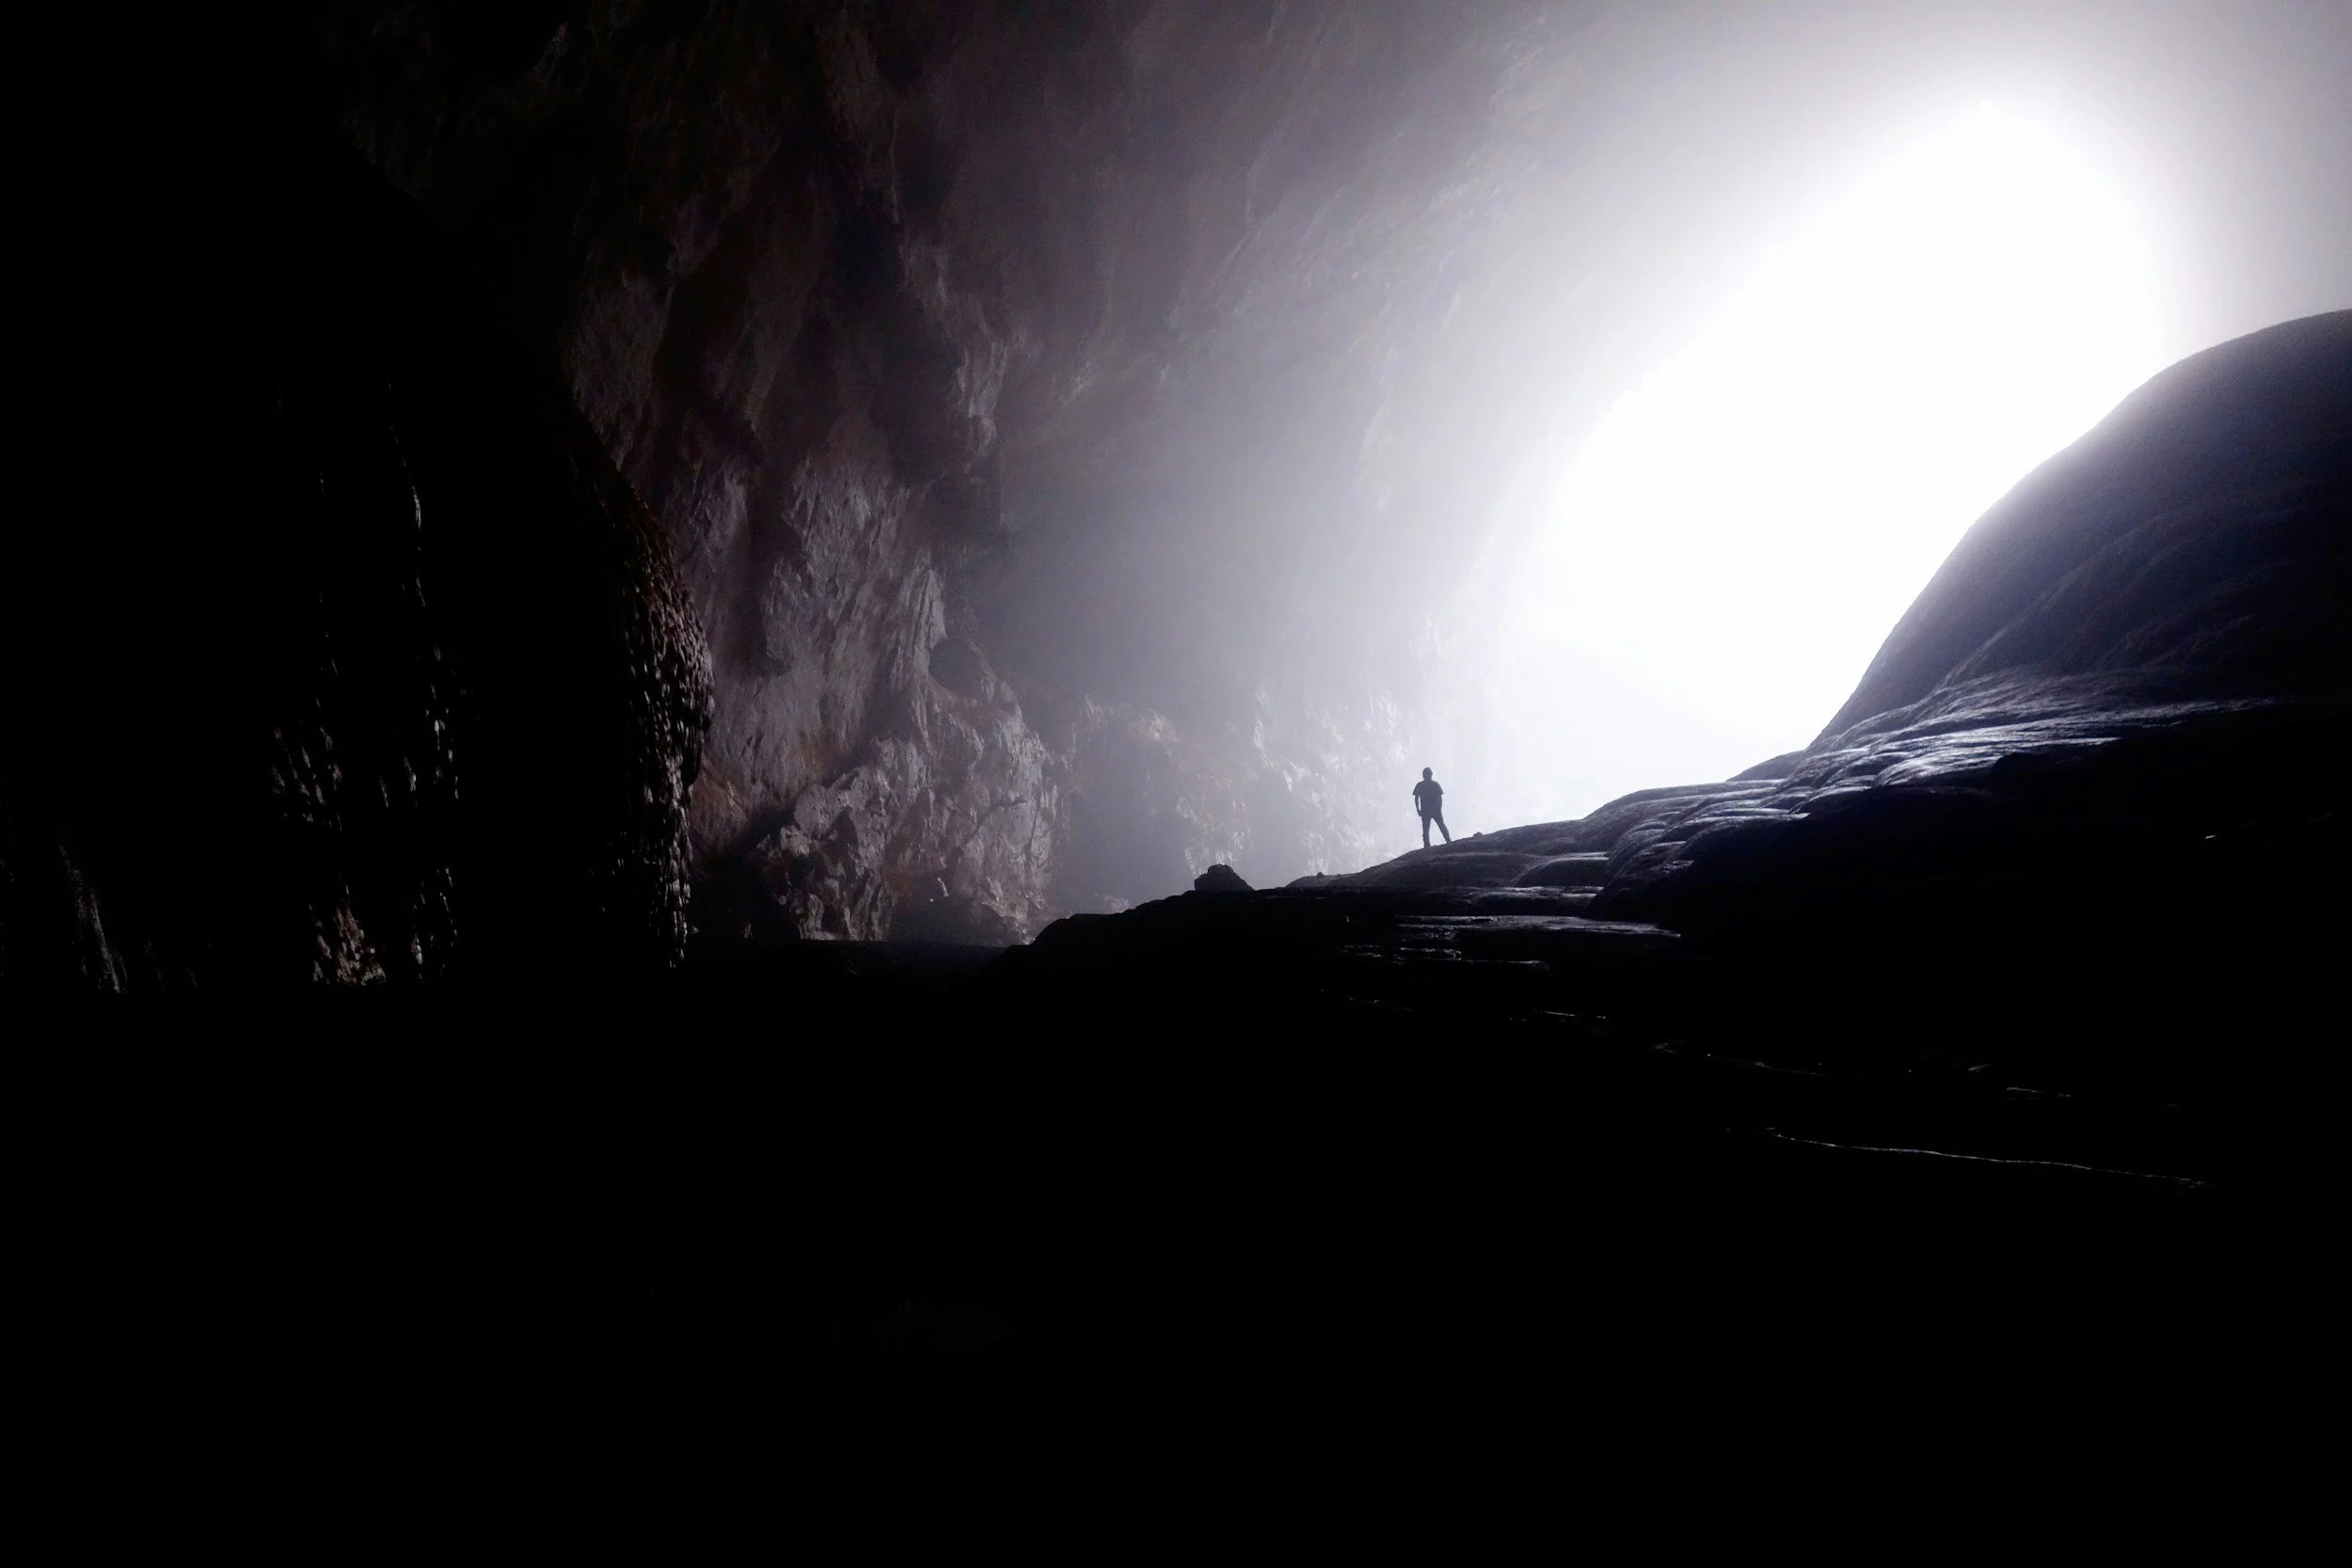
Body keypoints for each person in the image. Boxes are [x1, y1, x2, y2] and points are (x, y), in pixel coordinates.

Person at [1411, 767, 1451, 848]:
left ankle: (1445, 840)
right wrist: (1418, 809)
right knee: (1429, 828)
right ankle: (1445, 841)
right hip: (1430, 810)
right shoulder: (1432, 785)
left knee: (1433, 827)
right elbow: (1416, 798)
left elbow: (1416, 798)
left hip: (1430, 810)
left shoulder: (1422, 785)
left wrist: (1418, 809)